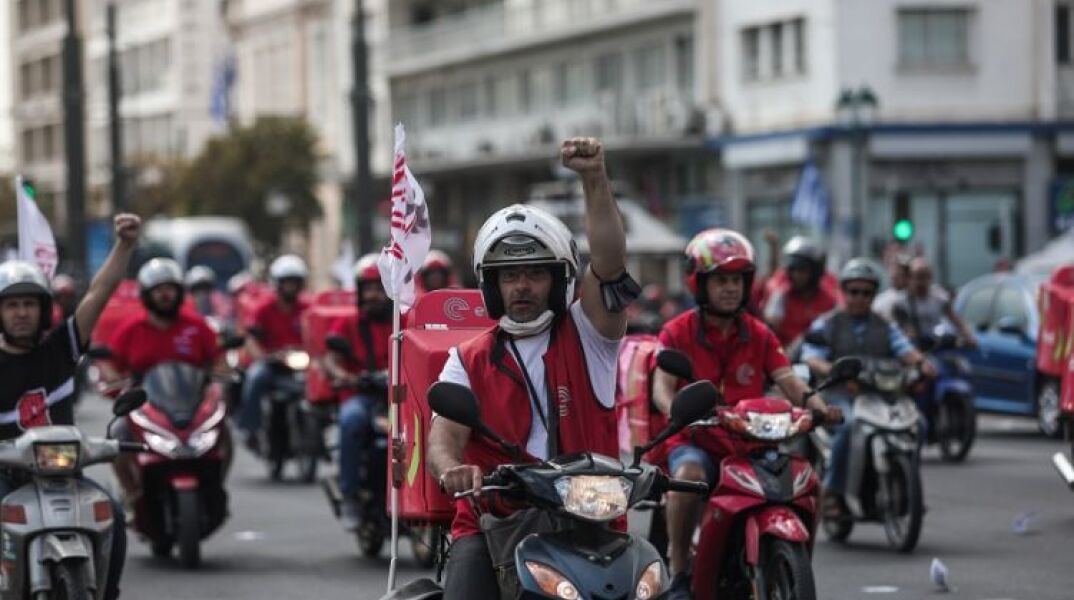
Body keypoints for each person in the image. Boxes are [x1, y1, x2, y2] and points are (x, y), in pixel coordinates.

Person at [427, 138, 635, 598]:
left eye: (535, 273)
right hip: (494, 519)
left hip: (590, 517)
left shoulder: (591, 335)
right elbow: (444, 434)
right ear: (493, 284)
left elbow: (611, 264)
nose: (522, 286)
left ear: (559, 278)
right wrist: (451, 470)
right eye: (509, 275)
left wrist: (594, 177)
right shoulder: (468, 357)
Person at [653, 228, 840, 600]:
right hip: (696, 438)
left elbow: (788, 379)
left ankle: (783, 560)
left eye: (737, 280)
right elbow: (662, 386)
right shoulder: (677, 331)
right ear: (699, 283)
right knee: (689, 477)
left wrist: (819, 408)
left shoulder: (759, 333)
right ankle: (679, 574)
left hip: (750, 442)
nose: (730, 288)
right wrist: (677, 409)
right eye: (721, 280)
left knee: (807, 481)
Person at [0, 213, 141, 600]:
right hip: (6, 476)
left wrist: (125, 245)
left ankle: (107, 591)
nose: (22, 312)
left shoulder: (61, 348)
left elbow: (100, 290)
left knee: (111, 509)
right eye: (12, 305)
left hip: (63, 474)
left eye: (30, 303)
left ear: (44, 309)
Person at [801, 258, 937, 520]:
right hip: (840, 394)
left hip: (879, 395)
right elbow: (811, 357)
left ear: (873, 295)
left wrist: (922, 363)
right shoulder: (827, 323)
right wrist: (833, 370)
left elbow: (904, 350)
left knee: (918, 424)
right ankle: (832, 490)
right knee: (851, 426)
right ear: (844, 292)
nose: (859, 298)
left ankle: (906, 484)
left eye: (866, 293)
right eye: (854, 292)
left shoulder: (885, 325)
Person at [103, 258, 228, 505]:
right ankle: (132, 492)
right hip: (146, 405)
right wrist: (115, 382)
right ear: (147, 294)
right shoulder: (131, 328)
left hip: (192, 403)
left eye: (170, 288)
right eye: (158, 290)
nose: (165, 295)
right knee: (116, 436)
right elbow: (110, 363)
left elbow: (218, 358)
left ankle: (216, 488)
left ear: (180, 292)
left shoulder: (196, 325)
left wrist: (219, 384)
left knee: (225, 434)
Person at [322, 254, 392, 531]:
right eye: (368, 289)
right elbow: (330, 359)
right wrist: (344, 377)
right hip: (361, 396)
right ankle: (350, 493)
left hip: (399, 396)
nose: (373, 295)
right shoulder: (349, 322)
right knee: (351, 421)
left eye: (379, 288)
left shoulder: (403, 319)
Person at [237, 255, 311, 451]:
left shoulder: (308, 308)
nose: (291, 287)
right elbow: (251, 339)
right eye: (287, 282)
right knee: (255, 377)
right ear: (277, 283)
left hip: (300, 362)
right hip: (271, 363)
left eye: (295, 282)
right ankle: (251, 428)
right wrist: (263, 357)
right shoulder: (262, 308)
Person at [761, 236, 842, 347]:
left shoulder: (830, 300)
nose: (797, 275)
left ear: (815, 271)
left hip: (818, 358)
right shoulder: (781, 296)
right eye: (793, 270)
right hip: (785, 358)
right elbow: (770, 326)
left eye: (802, 270)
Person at [891, 256, 978, 346]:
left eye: (924, 277)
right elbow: (906, 331)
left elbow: (955, 320)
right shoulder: (901, 303)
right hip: (915, 349)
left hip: (938, 345)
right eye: (917, 277)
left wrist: (968, 336)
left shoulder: (939, 296)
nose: (921, 282)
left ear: (930, 277)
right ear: (909, 278)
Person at [872, 253, 911, 322]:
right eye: (895, 269)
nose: (897, 273)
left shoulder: (917, 297)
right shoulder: (881, 300)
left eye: (903, 271)